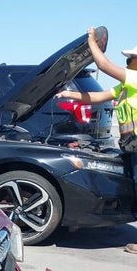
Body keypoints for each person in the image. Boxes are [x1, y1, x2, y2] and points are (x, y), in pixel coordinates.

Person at [56, 28, 137, 254]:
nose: (128, 62)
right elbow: (97, 97)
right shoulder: (127, 85)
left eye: (130, 59)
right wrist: (69, 95)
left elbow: (104, 66)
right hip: (132, 145)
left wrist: (91, 41)